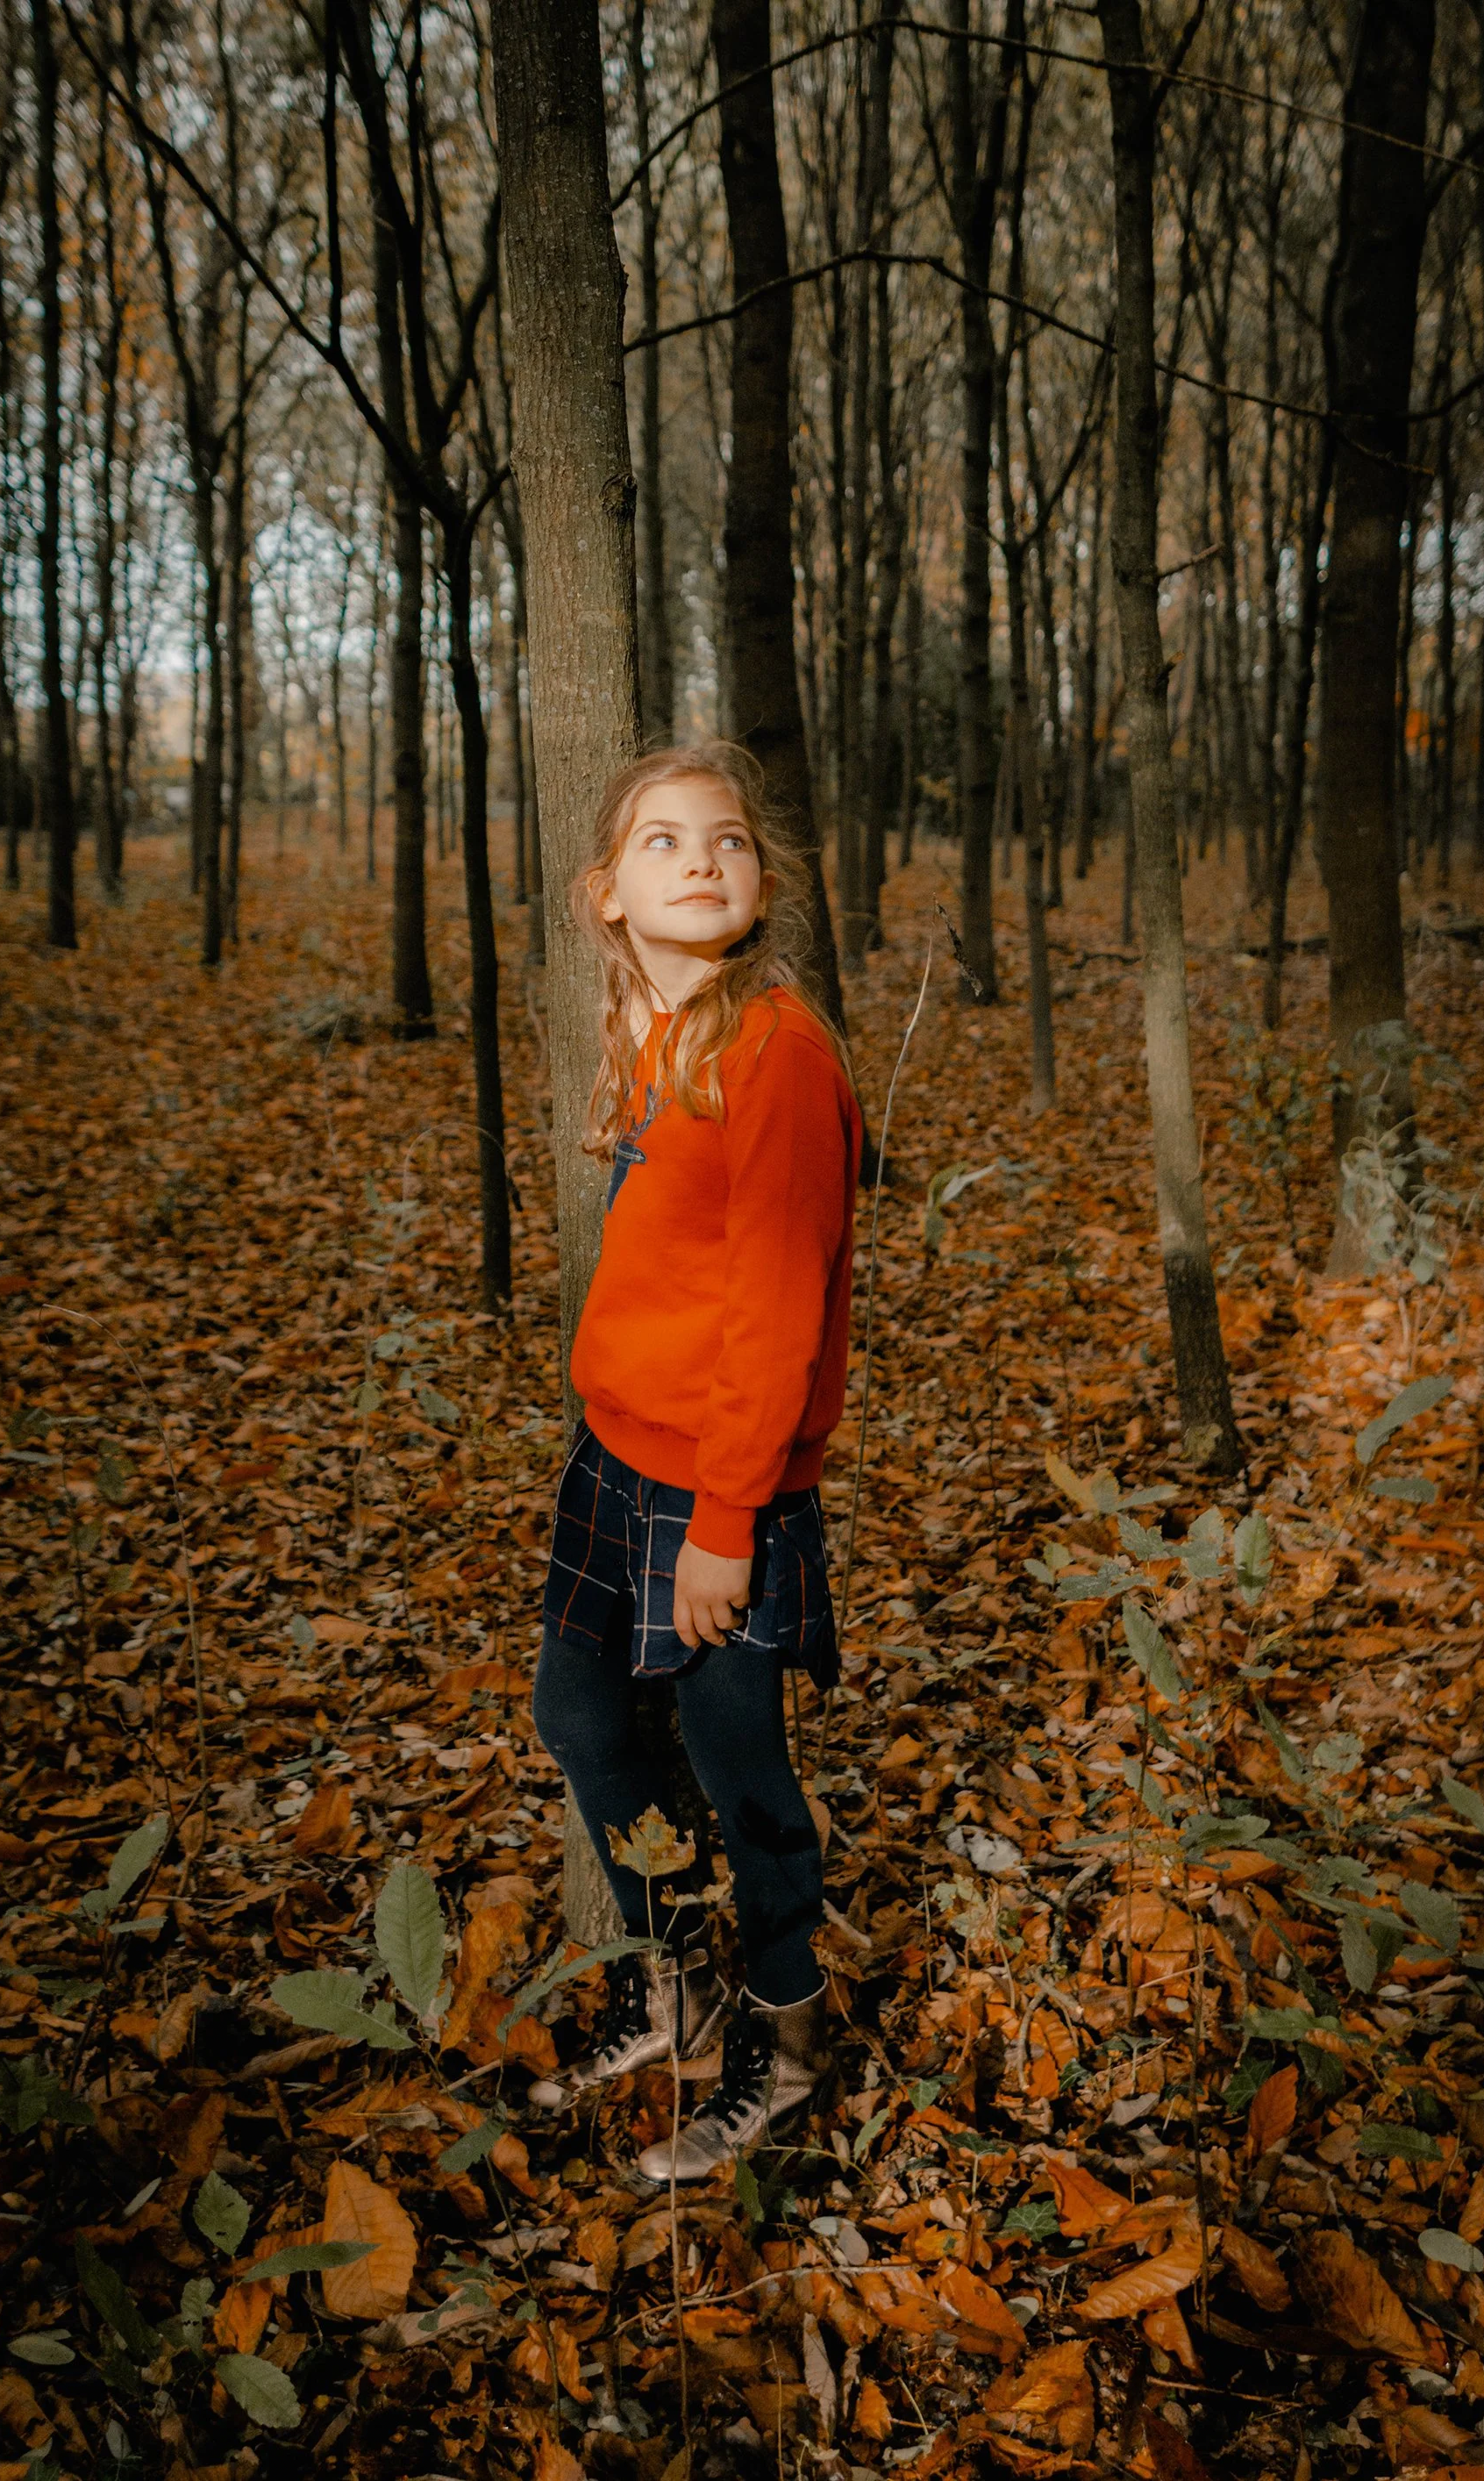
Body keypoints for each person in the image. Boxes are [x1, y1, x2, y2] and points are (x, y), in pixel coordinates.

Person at [530, 740, 860, 2185]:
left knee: (743, 1778)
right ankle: (671, 1986)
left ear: (764, 882)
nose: (703, 859)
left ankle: (786, 2046)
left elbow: (779, 1316)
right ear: (608, 893)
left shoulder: (775, 1057)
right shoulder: (656, 1036)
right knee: (579, 1719)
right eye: (663, 841)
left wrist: (727, 1522)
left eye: (727, 839)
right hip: (615, 1463)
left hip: (723, 1491)